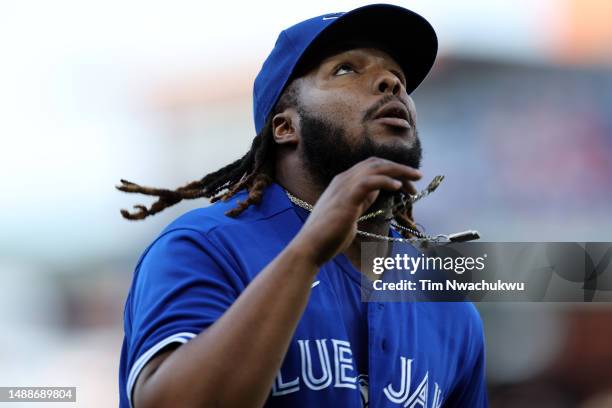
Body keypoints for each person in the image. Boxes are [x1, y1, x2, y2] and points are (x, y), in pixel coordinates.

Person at [117, 4, 488, 407]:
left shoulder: (446, 306)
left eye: (398, 78)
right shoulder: (205, 246)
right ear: (284, 126)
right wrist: (306, 254)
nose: (390, 83)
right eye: (347, 69)